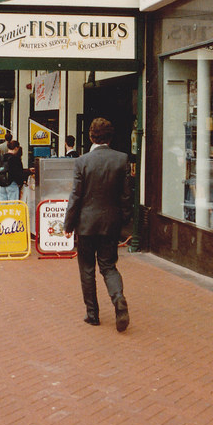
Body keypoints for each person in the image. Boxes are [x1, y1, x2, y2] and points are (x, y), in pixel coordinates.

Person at [63, 118, 131, 332]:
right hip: (110, 223)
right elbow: (126, 196)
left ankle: (92, 314)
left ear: (91, 137)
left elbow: (76, 196)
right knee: (109, 266)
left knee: (87, 269)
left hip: (86, 224)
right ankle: (118, 297)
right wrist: (123, 223)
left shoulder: (82, 162)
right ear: (110, 137)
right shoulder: (122, 159)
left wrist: (68, 224)